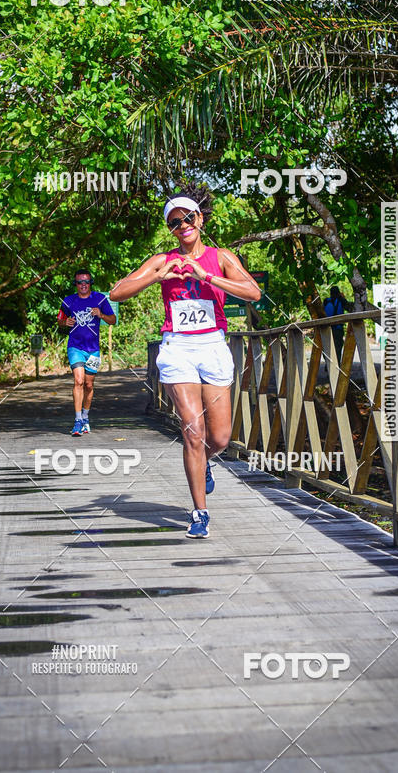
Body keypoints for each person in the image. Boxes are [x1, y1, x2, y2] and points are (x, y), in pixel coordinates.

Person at [109, 186, 261, 538]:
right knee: (194, 432)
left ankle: (205, 461)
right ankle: (199, 514)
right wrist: (156, 277)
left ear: (200, 219)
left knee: (219, 438)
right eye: (175, 222)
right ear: (171, 229)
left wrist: (203, 275)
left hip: (212, 345)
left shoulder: (220, 256)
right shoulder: (163, 259)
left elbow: (253, 292)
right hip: (177, 347)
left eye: (188, 218)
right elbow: (116, 293)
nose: (183, 225)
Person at [58, 269, 116, 436]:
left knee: (89, 385)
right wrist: (65, 322)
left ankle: (85, 417)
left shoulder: (100, 299)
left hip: (93, 350)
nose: (83, 285)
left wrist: (101, 314)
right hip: (75, 347)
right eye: (79, 282)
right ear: (75, 284)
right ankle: (77, 421)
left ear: (91, 283)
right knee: (78, 381)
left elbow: (113, 319)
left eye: (86, 282)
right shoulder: (69, 301)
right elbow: (60, 319)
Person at [323, 285, 346, 361]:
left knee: (327, 347)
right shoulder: (341, 300)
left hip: (327, 329)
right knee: (338, 348)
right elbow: (347, 305)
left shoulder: (326, 301)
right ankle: (337, 364)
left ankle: (328, 363)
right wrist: (343, 297)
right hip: (337, 329)